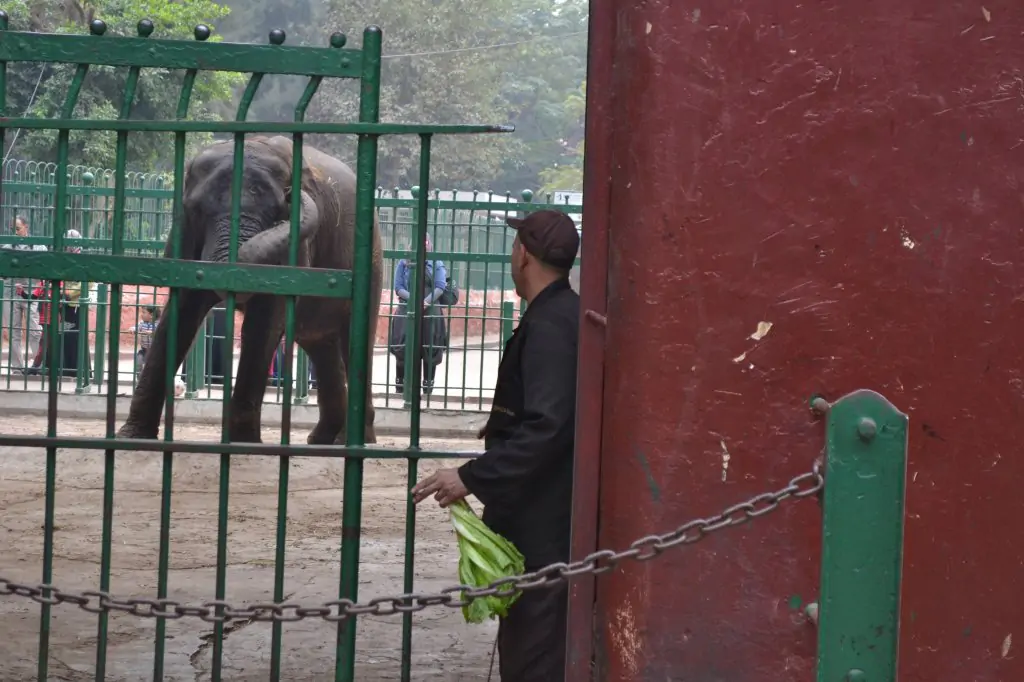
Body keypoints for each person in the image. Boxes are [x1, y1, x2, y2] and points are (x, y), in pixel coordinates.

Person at [410, 209, 581, 682]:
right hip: (542, 518)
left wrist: (470, 476)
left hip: (543, 525)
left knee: (534, 657)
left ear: (523, 254)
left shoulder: (551, 325)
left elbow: (548, 425)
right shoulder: (558, 315)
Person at [388, 234, 450, 396]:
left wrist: (425, 302)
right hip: (406, 309)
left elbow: (440, 286)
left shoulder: (436, 263)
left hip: (431, 313)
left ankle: (427, 390)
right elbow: (398, 287)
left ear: (430, 244)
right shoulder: (403, 263)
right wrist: (414, 300)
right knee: (403, 348)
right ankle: (400, 389)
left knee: (431, 349)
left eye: (426, 242)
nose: (424, 246)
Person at [3, 215, 47, 374]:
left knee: (34, 330)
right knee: (13, 331)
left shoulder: (38, 246)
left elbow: (46, 266)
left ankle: (37, 366)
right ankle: (18, 368)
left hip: (31, 293)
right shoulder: (7, 246)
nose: (15, 232)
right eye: (13, 229)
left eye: (18, 229)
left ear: (26, 227)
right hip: (11, 293)